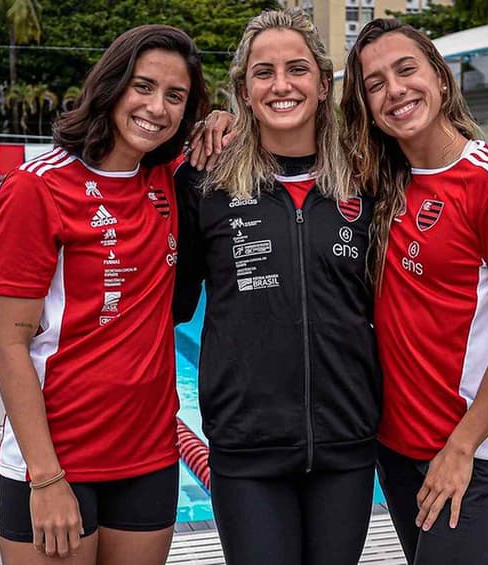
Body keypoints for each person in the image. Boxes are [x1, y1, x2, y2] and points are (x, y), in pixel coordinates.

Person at [0, 25, 208, 564]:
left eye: (175, 97)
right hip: (58, 459)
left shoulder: (166, 177)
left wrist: (221, 119)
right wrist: (46, 478)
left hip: (149, 457)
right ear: (111, 85)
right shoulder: (37, 188)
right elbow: (9, 345)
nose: (157, 107)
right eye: (143, 86)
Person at [340, 19, 488, 565]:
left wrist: (461, 448)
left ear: (438, 75)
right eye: (376, 83)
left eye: (406, 69)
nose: (396, 90)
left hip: (468, 452)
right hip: (395, 446)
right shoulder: (385, 181)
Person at [174, 9, 381, 565]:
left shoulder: (367, 175)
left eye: (297, 69)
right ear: (243, 88)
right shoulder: (203, 179)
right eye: (263, 72)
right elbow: (169, 303)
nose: (281, 85)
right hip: (247, 448)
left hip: (347, 443)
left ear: (322, 83)